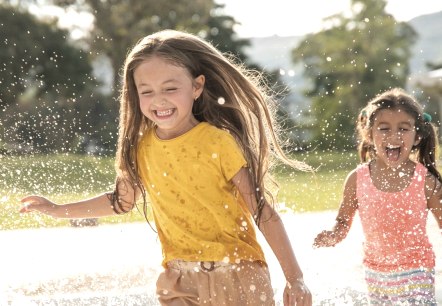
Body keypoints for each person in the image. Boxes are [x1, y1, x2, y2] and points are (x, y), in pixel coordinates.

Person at [20, 29, 312, 306]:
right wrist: (58, 209)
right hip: (177, 277)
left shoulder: (217, 142)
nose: (158, 99)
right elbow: (121, 202)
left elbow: (262, 211)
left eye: (170, 88)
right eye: (146, 91)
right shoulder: (141, 147)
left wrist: (295, 278)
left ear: (196, 86)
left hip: (234, 272)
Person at [313, 88, 442, 305]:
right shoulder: (357, 179)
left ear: (417, 135)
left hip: (416, 270)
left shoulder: (425, 181)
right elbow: (343, 220)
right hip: (376, 274)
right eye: (384, 128)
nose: (394, 136)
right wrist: (334, 234)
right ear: (369, 134)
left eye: (403, 128)